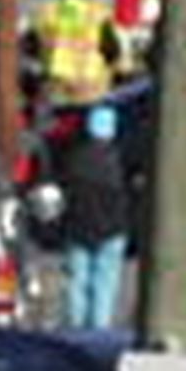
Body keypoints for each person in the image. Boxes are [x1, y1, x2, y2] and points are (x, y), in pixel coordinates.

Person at [55, 99, 131, 332]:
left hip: (79, 230)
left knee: (77, 283)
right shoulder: (120, 160)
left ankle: (77, 329)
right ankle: (99, 330)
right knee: (104, 285)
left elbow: (63, 194)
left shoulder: (74, 158)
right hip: (113, 230)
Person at [30, 0, 124, 109]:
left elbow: (33, 48)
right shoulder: (98, 12)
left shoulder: (48, 12)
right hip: (92, 85)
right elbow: (112, 50)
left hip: (58, 84)